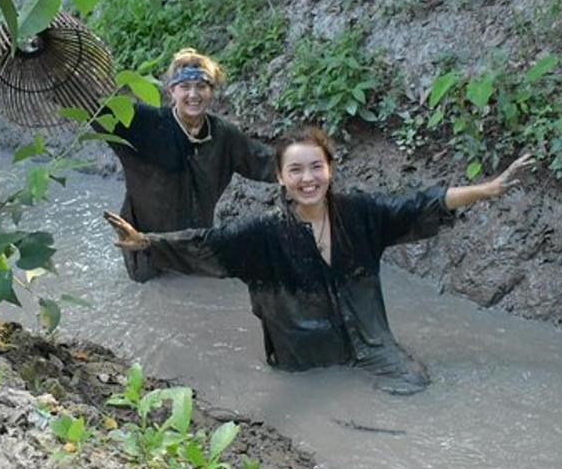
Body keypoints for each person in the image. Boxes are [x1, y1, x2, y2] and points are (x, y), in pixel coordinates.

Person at [104, 126, 535, 394]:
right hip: (303, 358)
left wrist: (487, 190)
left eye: (316, 167)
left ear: (330, 169)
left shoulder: (361, 215)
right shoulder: (262, 235)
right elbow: (205, 244)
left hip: (369, 344)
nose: (307, 179)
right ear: (280, 178)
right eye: (296, 171)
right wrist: (147, 242)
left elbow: (419, 204)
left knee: (416, 385)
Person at [102, 48, 276, 282]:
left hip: (194, 245)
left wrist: (309, 168)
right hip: (143, 248)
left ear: (211, 91)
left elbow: (266, 162)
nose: (193, 94)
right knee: (154, 296)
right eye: (185, 87)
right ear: (171, 90)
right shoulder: (143, 123)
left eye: (201, 86)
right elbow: (95, 108)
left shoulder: (223, 135)